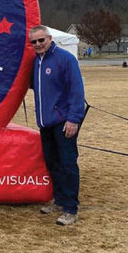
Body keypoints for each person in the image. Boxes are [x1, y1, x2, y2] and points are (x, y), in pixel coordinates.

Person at [29, 25, 85, 226]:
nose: (38, 44)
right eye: (34, 42)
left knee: (68, 164)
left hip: (63, 122)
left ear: (50, 38)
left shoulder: (65, 59)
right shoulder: (36, 62)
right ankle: (60, 201)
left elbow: (77, 91)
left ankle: (71, 208)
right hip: (45, 123)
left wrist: (73, 119)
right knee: (53, 163)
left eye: (41, 40)